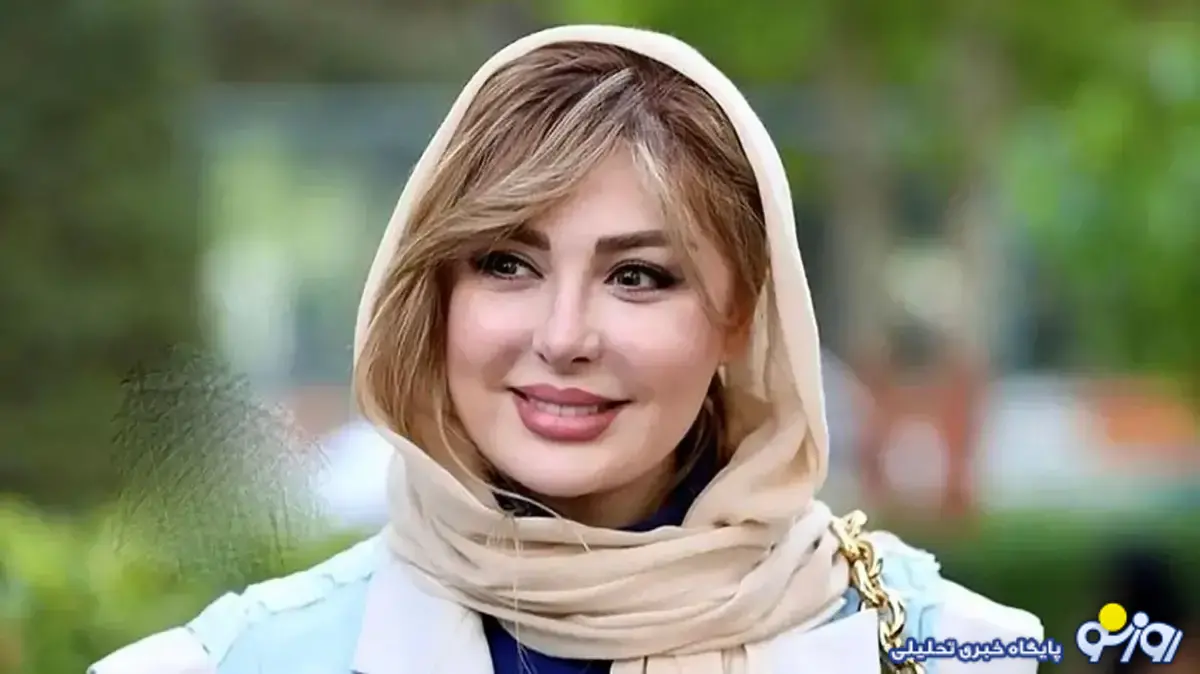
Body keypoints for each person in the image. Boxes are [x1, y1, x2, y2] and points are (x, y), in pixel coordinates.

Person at [89, 25, 1044, 674]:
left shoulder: (945, 645)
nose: (562, 338)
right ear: (435, 294)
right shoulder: (232, 662)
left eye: (638, 276)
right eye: (506, 264)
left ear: (742, 315)